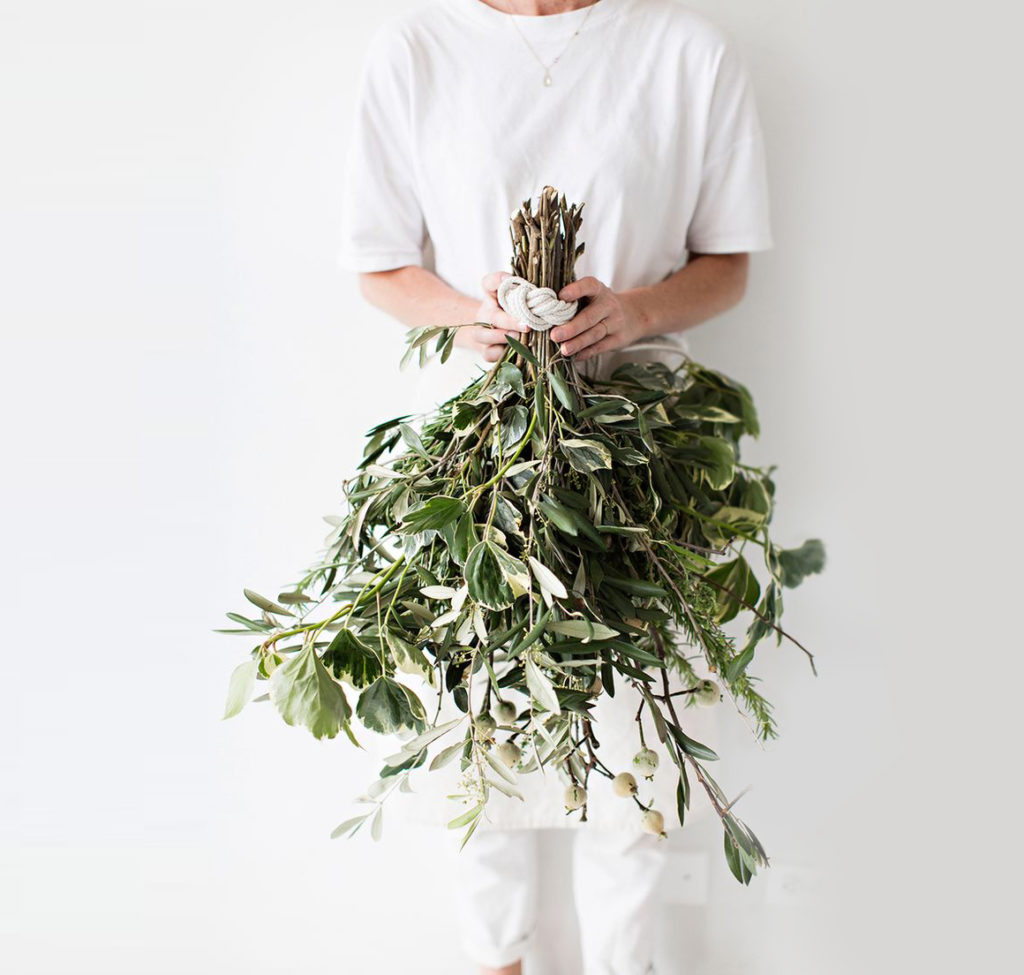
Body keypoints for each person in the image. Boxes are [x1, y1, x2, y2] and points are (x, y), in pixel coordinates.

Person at [336, 2, 774, 972]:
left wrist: (637, 311)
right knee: (482, 748)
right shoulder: (417, 50)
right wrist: (467, 317)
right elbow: (379, 264)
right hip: (479, 471)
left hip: (639, 461)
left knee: (635, 748)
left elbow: (728, 265)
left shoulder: (684, 52)